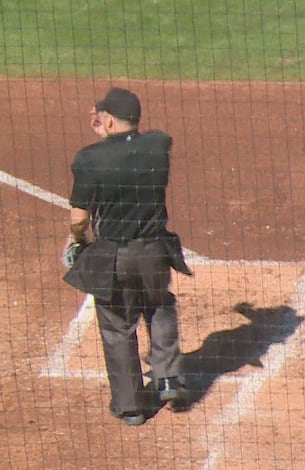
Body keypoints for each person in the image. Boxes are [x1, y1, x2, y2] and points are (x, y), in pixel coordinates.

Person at [62, 87, 192, 426]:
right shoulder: (157, 146)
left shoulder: (90, 158)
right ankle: (167, 378)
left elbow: (78, 218)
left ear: (104, 119)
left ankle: (131, 406)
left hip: (114, 256)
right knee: (159, 304)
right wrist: (111, 131)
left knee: (118, 326)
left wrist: (78, 241)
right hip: (153, 251)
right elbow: (149, 140)